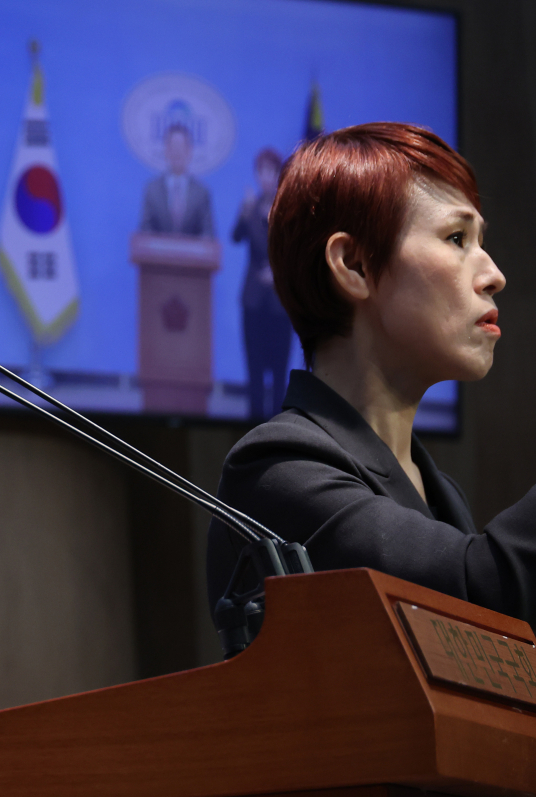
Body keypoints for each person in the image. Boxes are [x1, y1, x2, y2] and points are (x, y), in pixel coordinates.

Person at [207, 122, 536, 627]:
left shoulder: (440, 491)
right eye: (456, 238)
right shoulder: (276, 470)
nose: (494, 274)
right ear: (354, 265)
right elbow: (477, 600)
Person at [232, 147, 293, 421]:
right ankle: (253, 429)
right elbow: (236, 237)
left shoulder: (289, 211)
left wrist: (278, 273)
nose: (266, 178)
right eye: (262, 172)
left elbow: (295, 249)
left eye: (271, 172)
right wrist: (246, 215)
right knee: (254, 369)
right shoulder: (250, 207)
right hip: (253, 300)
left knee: (280, 371)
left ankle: (277, 429)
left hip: (280, 302)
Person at [139, 123, 215, 237]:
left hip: (192, 255)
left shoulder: (201, 192)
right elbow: (145, 230)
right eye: (173, 147)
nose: (177, 152)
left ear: (189, 151)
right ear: (166, 151)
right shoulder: (152, 190)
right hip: (158, 254)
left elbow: (208, 233)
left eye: (181, 147)